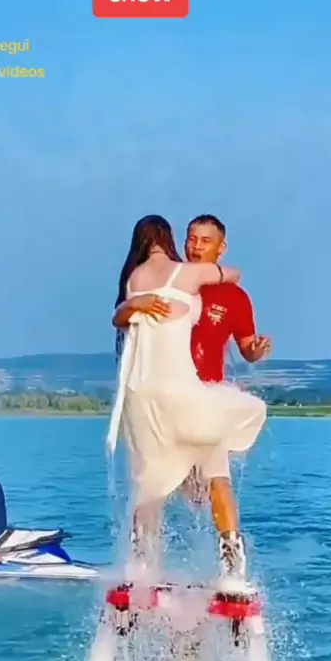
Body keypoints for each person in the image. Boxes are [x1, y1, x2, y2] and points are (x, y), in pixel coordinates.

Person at [108, 214, 266, 588]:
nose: (195, 246)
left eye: (204, 240)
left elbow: (246, 347)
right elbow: (126, 318)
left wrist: (256, 351)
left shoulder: (232, 297)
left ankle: (231, 563)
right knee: (151, 486)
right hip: (163, 403)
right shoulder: (174, 278)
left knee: (216, 480)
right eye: (191, 238)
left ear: (220, 247)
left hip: (201, 404)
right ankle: (141, 563)